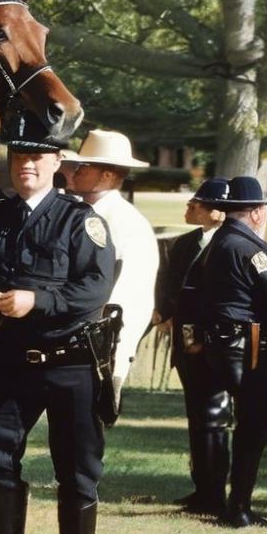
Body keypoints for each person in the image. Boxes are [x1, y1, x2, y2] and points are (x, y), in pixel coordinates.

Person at [0, 122, 115, 534]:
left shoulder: (80, 220)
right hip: (7, 360)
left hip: (71, 361)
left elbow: (93, 289)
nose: (27, 163)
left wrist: (35, 301)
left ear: (58, 164)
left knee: (78, 471)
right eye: (20, 154)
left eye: (39, 156)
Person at [199, 176, 267, 527]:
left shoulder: (221, 241)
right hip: (250, 348)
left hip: (224, 343)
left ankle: (224, 499)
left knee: (228, 422)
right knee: (254, 426)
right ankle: (238, 506)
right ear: (259, 213)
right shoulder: (250, 249)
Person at [59, 129, 159, 415]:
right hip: (67, 342)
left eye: (83, 167)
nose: (74, 172)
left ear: (106, 176)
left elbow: (128, 296)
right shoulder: (77, 213)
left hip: (97, 348)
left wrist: (112, 357)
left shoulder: (127, 224)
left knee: (83, 441)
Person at [154, 178, 229, 513]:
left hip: (215, 346)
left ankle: (216, 491)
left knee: (214, 417)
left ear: (217, 212)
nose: (188, 209)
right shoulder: (184, 244)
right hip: (184, 344)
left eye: (195, 205)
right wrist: (167, 312)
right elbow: (168, 282)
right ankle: (201, 487)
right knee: (197, 416)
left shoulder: (231, 244)